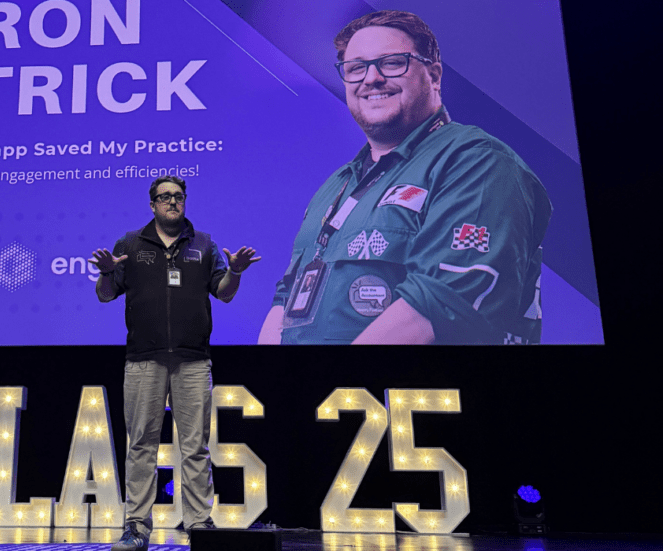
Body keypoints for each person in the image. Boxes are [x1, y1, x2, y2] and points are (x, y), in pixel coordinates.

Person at [259, 10, 551, 345]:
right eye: (356, 68)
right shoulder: (336, 185)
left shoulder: (475, 161)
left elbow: (441, 302)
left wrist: (337, 390)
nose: (371, 79)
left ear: (434, 75)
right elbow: (285, 299)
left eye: (392, 62)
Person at [91, 175, 259, 551]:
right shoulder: (130, 244)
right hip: (143, 360)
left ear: (185, 201)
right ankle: (137, 527)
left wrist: (235, 272)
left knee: (195, 446)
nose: (172, 202)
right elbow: (105, 295)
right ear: (152, 205)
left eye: (178, 196)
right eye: (164, 197)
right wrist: (105, 273)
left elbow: (224, 294)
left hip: (194, 360)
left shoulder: (204, 244)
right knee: (141, 446)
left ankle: (199, 523)